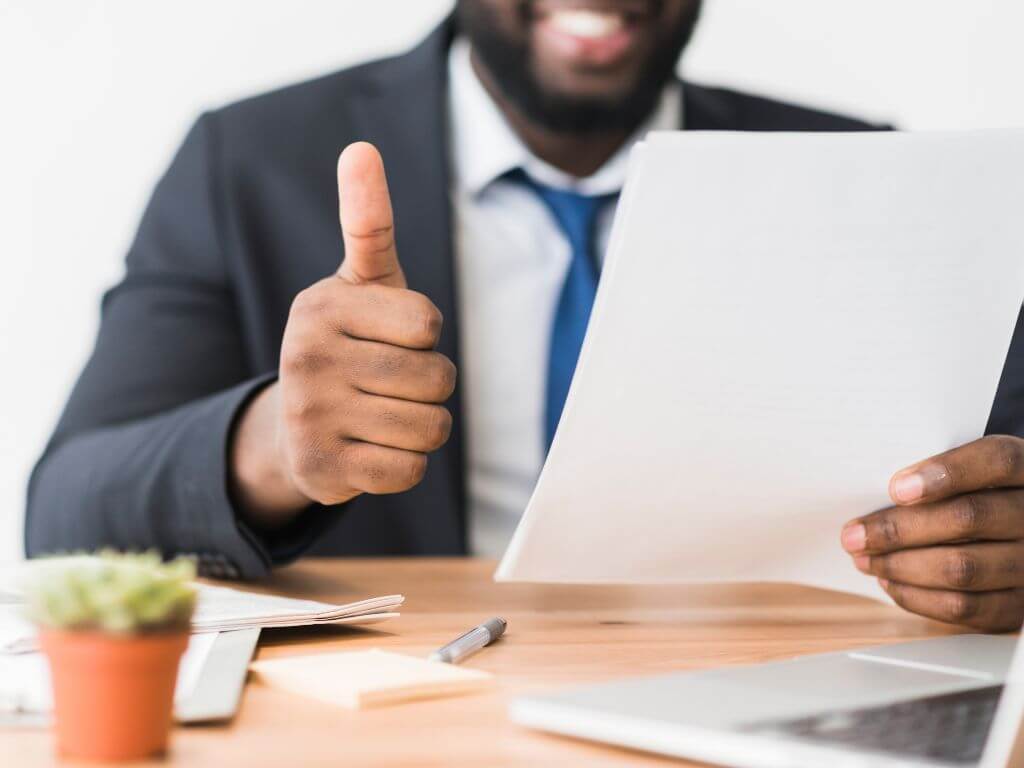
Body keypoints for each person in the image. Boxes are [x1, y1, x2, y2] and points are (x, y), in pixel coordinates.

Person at [26, 1, 1024, 631]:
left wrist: (993, 541)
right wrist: (274, 447)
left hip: (773, 682)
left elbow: (1002, 470)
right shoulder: (246, 158)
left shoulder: (861, 174)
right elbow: (65, 513)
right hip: (408, 706)